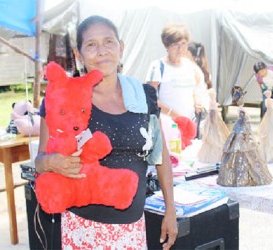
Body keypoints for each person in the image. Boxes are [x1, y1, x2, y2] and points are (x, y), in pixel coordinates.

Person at [35, 15, 177, 249]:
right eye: (91, 44)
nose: (101, 51)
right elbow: (39, 161)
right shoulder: (61, 96)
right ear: (78, 54)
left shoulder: (143, 96)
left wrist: (170, 210)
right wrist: (51, 162)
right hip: (81, 229)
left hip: (131, 230)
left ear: (121, 47)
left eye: (108, 42)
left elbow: (160, 157)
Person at [145, 23, 205, 120]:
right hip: (166, 126)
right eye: (175, 45)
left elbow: (192, 91)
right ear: (167, 46)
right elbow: (150, 98)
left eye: (183, 44)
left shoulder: (189, 66)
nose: (180, 49)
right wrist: (175, 115)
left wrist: (196, 101)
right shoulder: (157, 66)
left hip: (189, 125)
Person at [217, 86, 273, 187]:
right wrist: (244, 132)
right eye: (241, 98)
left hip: (244, 134)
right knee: (242, 153)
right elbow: (241, 122)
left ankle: (244, 175)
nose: (242, 100)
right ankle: (242, 177)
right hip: (243, 134)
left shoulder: (241, 109)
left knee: (247, 154)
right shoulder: (241, 110)